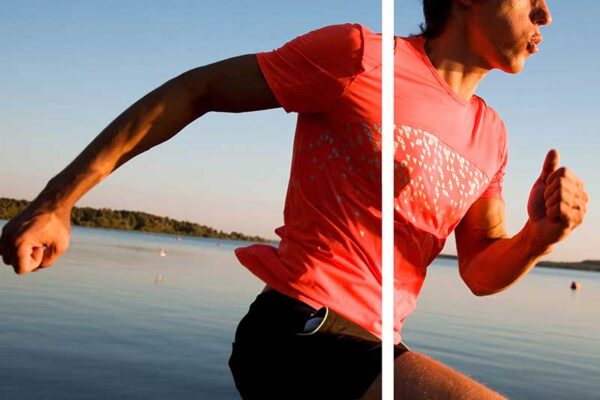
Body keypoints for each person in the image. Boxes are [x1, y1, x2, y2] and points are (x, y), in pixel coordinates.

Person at [0, 0, 588, 399]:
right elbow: (198, 90)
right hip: (299, 332)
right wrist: (58, 200)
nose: (548, 13)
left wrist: (538, 238)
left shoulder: (492, 136)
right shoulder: (360, 56)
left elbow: (481, 270)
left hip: (375, 345)